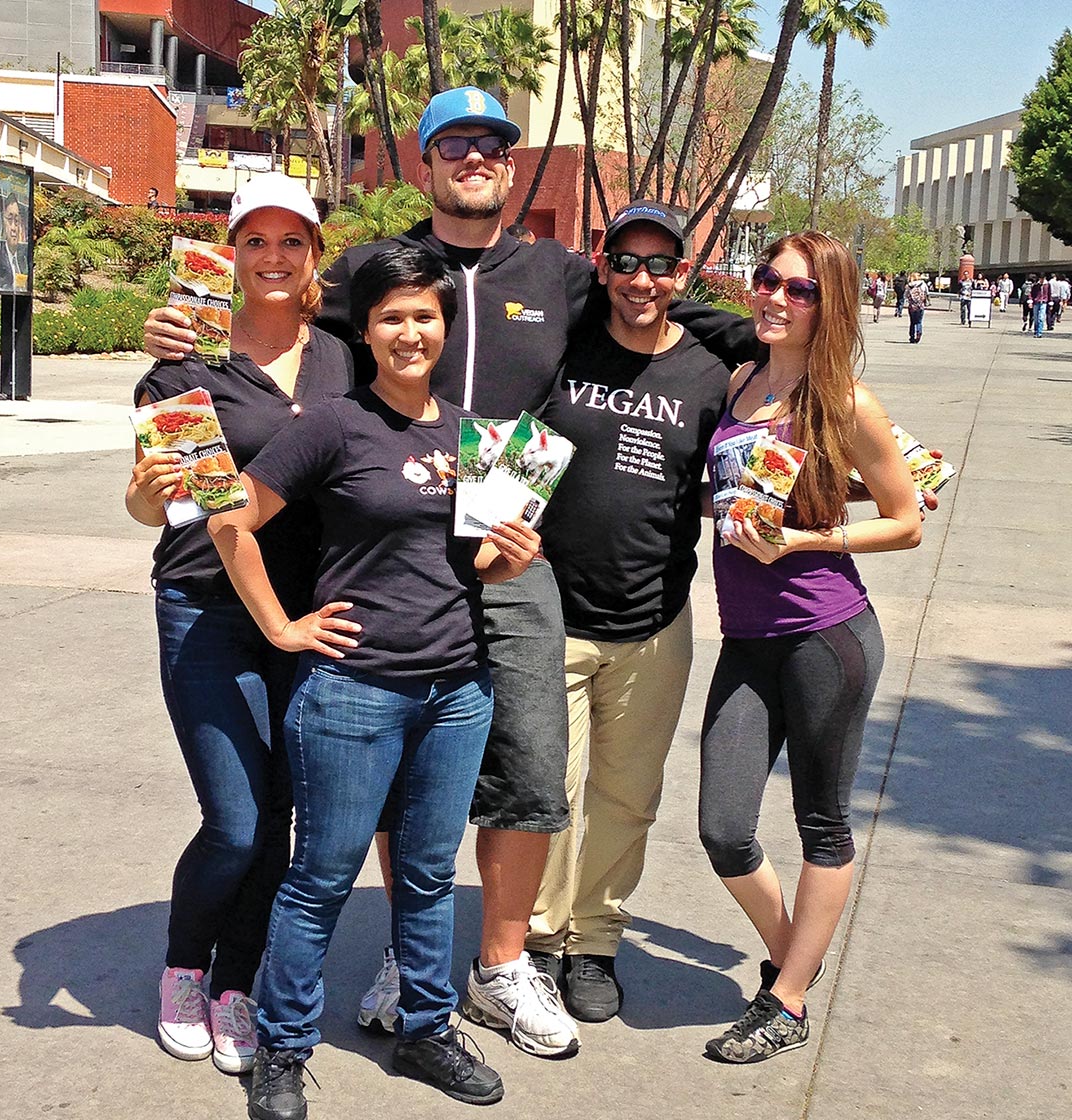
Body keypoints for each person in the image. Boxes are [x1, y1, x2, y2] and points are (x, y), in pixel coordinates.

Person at [143, 85, 752, 1060]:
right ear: (424, 163)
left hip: (506, 509)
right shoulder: (366, 272)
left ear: (511, 168)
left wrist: (781, 344)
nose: (475, 158)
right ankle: (399, 951)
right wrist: (178, 333)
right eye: (455, 144)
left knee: (529, 761)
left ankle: (502, 962)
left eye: (492, 147)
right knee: (390, 765)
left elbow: (671, 308)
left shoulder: (558, 271)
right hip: (385, 537)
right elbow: (269, 306)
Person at [209, 246, 542, 1117]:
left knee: (428, 875)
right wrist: (282, 627)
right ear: (366, 330)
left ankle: (427, 1027)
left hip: (457, 690)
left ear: (445, 327)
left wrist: (510, 560)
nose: (409, 331)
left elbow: (475, 564)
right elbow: (231, 520)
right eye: (391, 316)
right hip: (354, 690)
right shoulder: (334, 424)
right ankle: (283, 1047)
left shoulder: (473, 433)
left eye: (424, 316)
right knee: (321, 875)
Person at [125, 174, 355, 1076]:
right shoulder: (184, 361)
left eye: (290, 240)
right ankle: (184, 967)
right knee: (234, 821)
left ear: (313, 252)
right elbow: (155, 505)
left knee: (282, 817)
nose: (272, 256)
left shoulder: (341, 355)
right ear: (229, 252)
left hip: (311, 613)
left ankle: (236, 982)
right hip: (205, 609)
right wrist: (144, 497)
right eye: (254, 240)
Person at [521, 200, 749, 1023]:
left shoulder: (708, 373)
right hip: (548, 613)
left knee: (626, 795)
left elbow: (782, 411)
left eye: (662, 264)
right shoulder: (563, 349)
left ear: (684, 273)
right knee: (545, 789)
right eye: (627, 262)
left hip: (654, 623)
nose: (643, 279)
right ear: (601, 264)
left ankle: (594, 941)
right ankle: (537, 940)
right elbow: (515, 452)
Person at [699, 231, 922, 1064]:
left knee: (821, 824)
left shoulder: (848, 403)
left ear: (829, 308)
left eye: (798, 291)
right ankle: (800, 952)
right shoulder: (739, 381)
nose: (773, 298)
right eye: (766, 282)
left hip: (827, 636)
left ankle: (786, 1000)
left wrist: (806, 543)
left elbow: (905, 522)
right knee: (723, 828)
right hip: (747, 639)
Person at [0, 194, 29, 292]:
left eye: (16, 221)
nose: (13, 228)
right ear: (2, 221)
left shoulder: (23, 259)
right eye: (9, 219)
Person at [905, 271, 928, 343]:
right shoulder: (923, 284)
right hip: (920, 306)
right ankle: (919, 332)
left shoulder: (909, 285)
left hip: (912, 306)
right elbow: (927, 293)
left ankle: (912, 337)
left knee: (912, 322)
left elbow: (906, 295)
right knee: (919, 321)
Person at [1031, 274, 1049, 338]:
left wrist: (1050, 302)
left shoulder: (1047, 285)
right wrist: (1031, 301)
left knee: (1041, 318)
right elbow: (1032, 294)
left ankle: (1039, 332)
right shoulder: (1036, 285)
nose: (1042, 280)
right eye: (1041, 279)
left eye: (1043, 279)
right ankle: (1036, 331)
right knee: (1036, 318)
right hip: (1036, 302)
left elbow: (1049, 293)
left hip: (1044, 302)